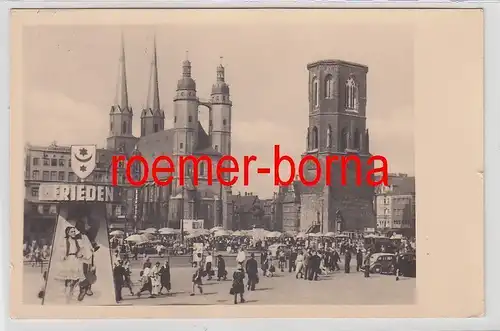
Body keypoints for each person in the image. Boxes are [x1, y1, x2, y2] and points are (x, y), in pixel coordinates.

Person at [56, 226, 85, 303]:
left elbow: (81, 249)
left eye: (74, 231)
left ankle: (71, 291)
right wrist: (63, 256)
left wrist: (80, 254)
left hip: (75, 260)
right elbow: (60, 249)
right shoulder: (64, 240)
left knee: (76, 278)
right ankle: (67, 294)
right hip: (68, 259)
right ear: (68, 233)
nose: (73, 233)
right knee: (68, 278)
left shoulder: (77, 241)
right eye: (72, 231)